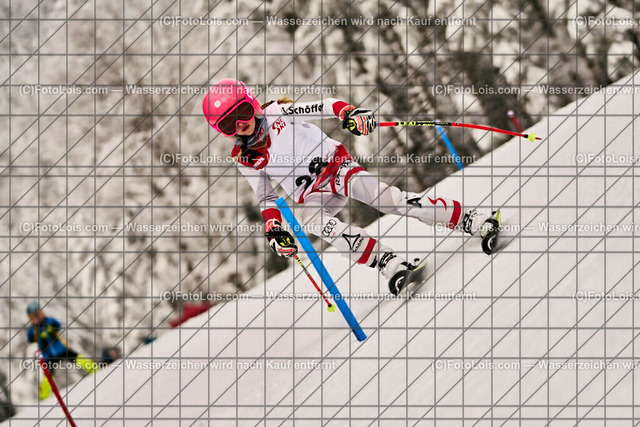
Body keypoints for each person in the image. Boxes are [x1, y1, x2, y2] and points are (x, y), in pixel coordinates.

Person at [202, 79, 500, 293]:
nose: (240, 125)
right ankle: (386, 262)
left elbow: (326, 106)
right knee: (313, 222)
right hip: (313, 194)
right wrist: (273, 229)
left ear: (252, 103)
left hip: (336, 167)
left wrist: (349, 113)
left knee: (387, 201)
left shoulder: (279, 113)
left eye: (242, 113)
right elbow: (266, 197)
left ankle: (468, 219)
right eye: (229, 124)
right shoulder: (245, 158)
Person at [26, 302, 97, 400]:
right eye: (34, 316)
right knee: (48, 374)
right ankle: (44, 396)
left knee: (76, 357)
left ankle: (94, 368)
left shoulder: (48, 321)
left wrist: (51, 327)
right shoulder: (33, 329)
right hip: (48, 355)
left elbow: (57, 324)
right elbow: (30, 339)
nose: (38, 317)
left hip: (60, 349)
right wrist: (36, 329)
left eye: (39, 313)